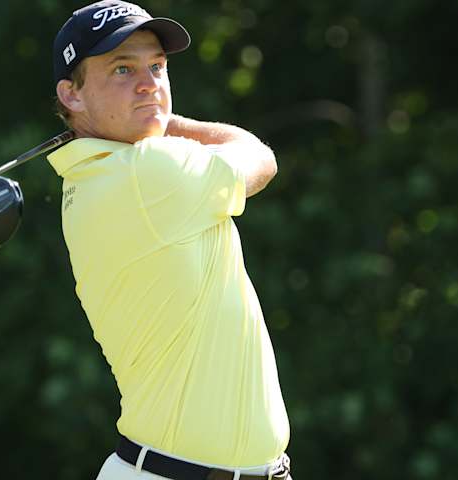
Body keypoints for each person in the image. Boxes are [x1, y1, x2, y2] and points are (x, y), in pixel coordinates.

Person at [48, 2, 292, 479]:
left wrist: (148, 116)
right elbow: (258, 157)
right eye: (122, 69)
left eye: (156, 68)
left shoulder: (95, 176)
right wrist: (166, 119)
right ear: (71, 96)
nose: (149, 85)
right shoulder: (148, 172)